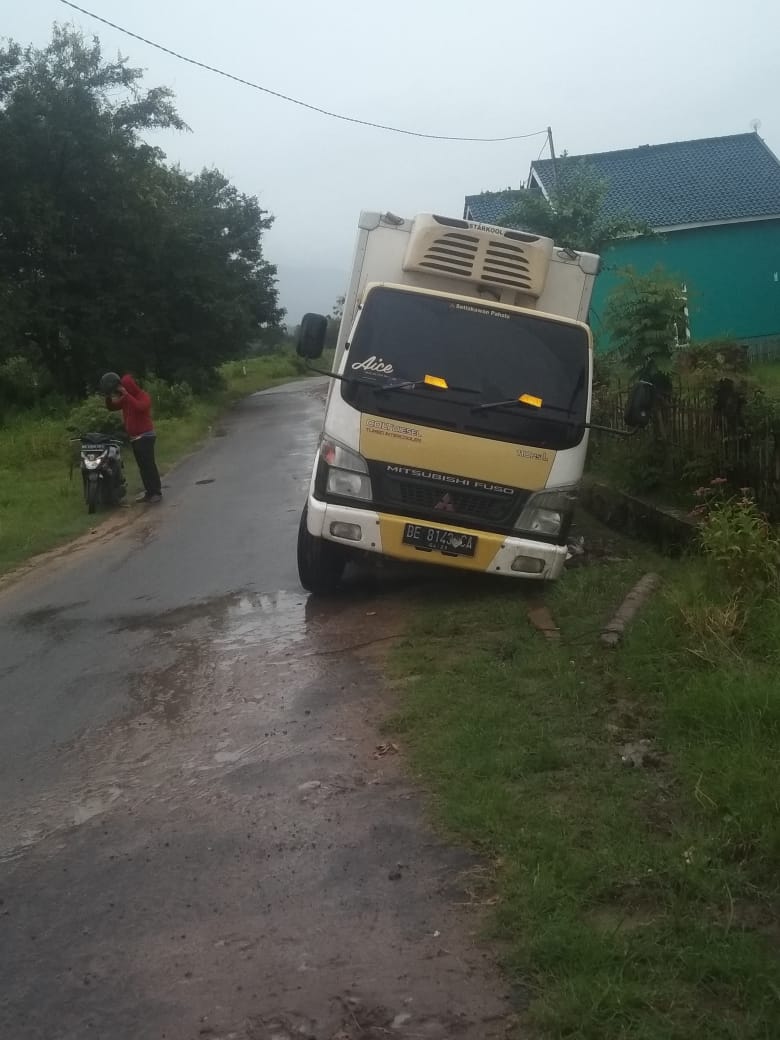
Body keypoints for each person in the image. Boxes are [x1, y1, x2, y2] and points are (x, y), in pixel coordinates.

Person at [101, 372, 162, 503]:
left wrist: (127, 395)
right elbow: (112, 407)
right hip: (135, 438)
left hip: (146, 436)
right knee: (142, 467)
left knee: (149, 465)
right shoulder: (126, 399)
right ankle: (149, 492)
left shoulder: (143, 396)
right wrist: (108, 395)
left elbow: (140, 407)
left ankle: (156, 491)